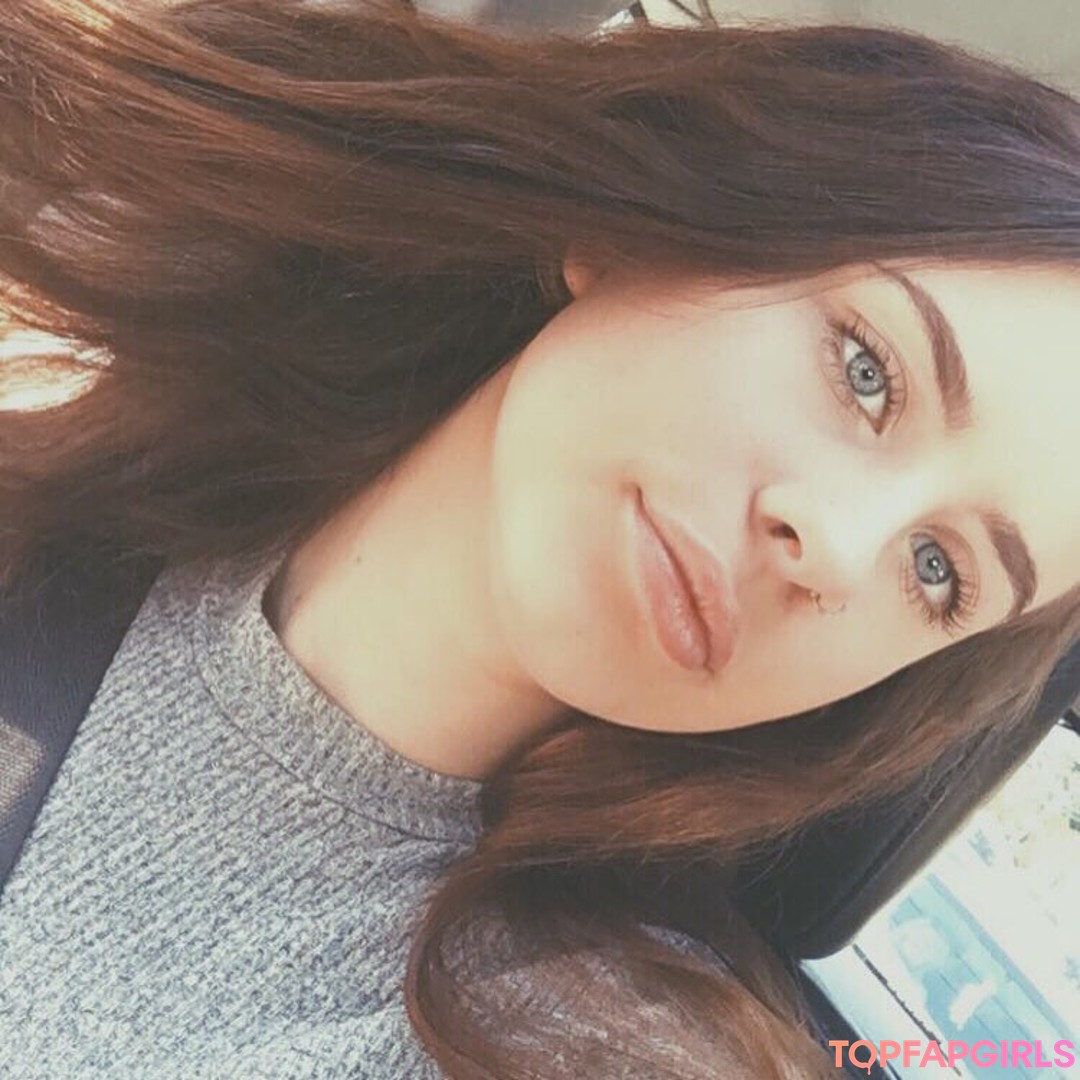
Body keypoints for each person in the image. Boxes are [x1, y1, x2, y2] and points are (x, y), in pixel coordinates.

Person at [0, 0, 1078, 1076]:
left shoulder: (568, 1035)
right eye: (867, 370)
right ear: (650, 228)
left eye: (937, 571)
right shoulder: (83, 318)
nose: (839, 547)